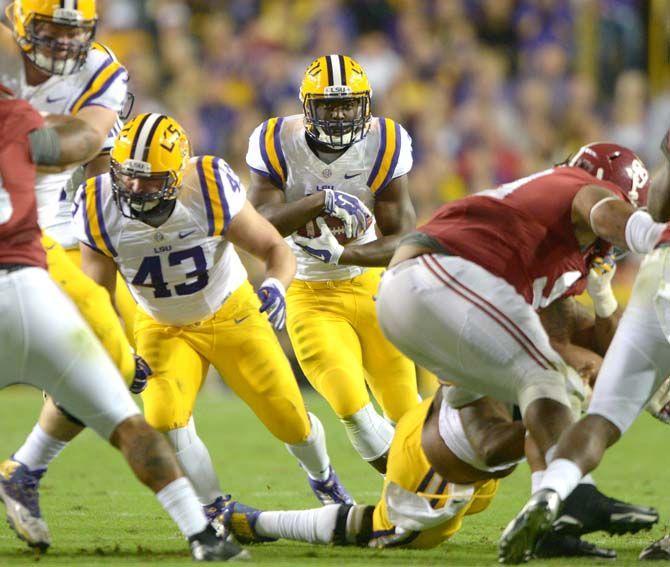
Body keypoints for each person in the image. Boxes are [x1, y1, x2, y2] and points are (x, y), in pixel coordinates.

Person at [366, 142, 670, 563]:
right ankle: (573, 498)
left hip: (425, 302)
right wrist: (655, 234)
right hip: (441, 276)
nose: (605, 251)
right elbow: (604, 212)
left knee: (541, 387)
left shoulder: (549, 249)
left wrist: (604, 309)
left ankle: (552, 522)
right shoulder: (580, 185)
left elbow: (572, 340)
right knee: (552, 380)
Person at [220, 276, 655, 558]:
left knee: (550, 414)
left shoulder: (544, 308)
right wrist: (561, 418)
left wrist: (601, 297)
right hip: (435, 467)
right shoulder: (491, 340)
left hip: (475, 465)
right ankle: (253, 521)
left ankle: (553, 521)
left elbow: (612, 352)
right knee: (381, 529)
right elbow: (492, 440)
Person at [0, 89, 246, 561]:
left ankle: (204, 519)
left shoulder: (77, 104)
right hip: (58, 252)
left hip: (73, 257)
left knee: (128, 389)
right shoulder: (33, 111)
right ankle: (208, 519)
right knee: (115, 378)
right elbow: (93, 188)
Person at [72, 112, 353, 522]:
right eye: (127, 175)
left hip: (230, 312)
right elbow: (97, 295)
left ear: (176, 174)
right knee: (163, 418)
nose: (134, 187)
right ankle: (214, 508)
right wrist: (118, 351)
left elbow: (276, 250)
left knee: (289, 417)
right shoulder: (98, 204)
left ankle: (323, 477)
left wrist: (275, 285)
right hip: (162, 326)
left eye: (149, 179)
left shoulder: (206, 186)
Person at [0, 1, 147, 548]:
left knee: (125, 364)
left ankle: (24, 468)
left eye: (74, 32)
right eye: (50, 29)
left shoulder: (101, 72)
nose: (63, 44)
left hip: (51, 229)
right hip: (18, 228)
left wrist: (20, 140)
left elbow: (90, 151)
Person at [500, 135, 670, 563]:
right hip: (471, 347)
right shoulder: (546, 227)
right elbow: (548, 336)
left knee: (597, 413)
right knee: (439, 502)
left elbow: (596, 340)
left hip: (659, 273)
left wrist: (604, 297)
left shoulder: (565, 234)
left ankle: (552, 501)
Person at [247, 55, 419, 473]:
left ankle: (423, 490)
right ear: (308, 107)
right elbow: (256, 225)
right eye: (329, 106)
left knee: (407, 414)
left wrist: (346, 254)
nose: (340, 115)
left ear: (366, 105)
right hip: (310, 292)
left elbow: (405, 241)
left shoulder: (386, 142)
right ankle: (415, 487)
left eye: (349, 105)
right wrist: (319, 201)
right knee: (352, 406)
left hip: (373, 287)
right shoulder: (275, 139)